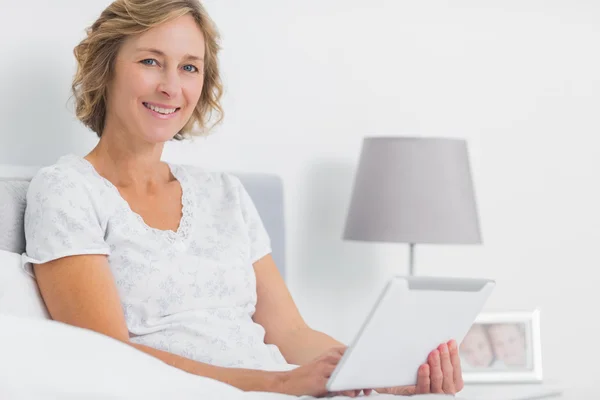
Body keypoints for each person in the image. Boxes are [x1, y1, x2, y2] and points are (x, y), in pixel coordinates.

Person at [22, 0, 464, 397]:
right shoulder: (66, 190)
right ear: (106, 68)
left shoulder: (224, 193)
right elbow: (108, 355)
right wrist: (280, 383)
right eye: (152, 61)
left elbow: (290, 333)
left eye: (190, 67)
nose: (171, 87)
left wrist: (378, 373)